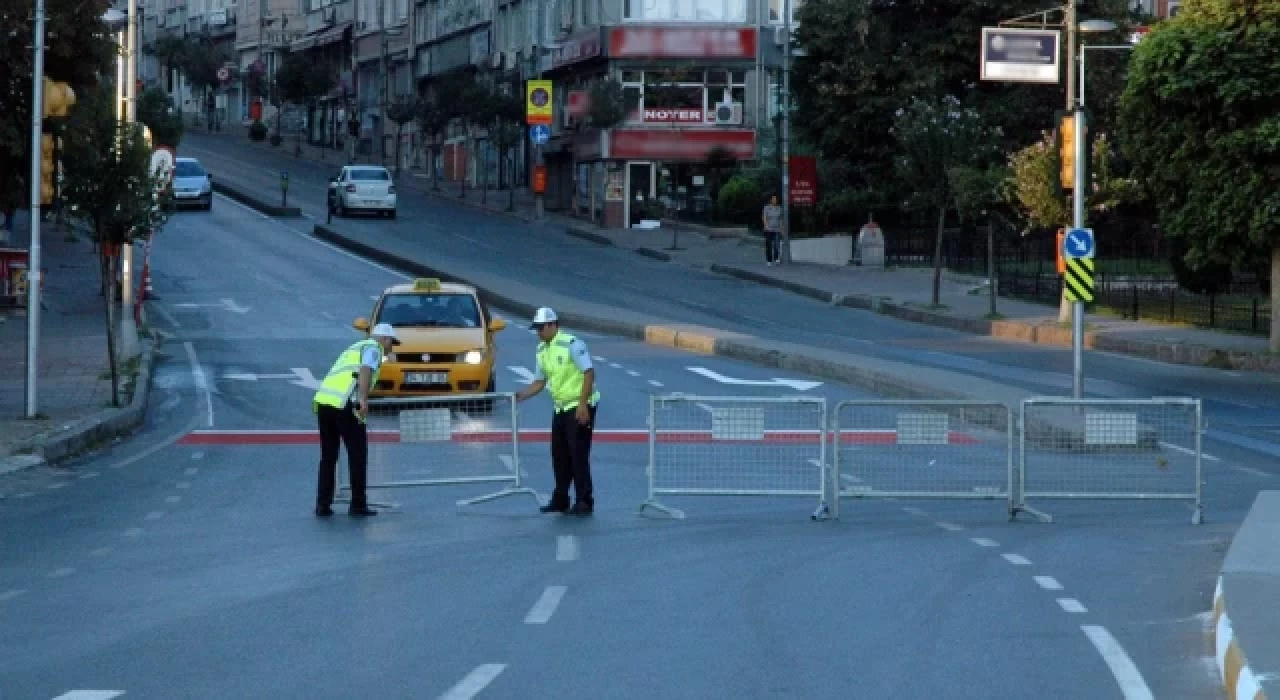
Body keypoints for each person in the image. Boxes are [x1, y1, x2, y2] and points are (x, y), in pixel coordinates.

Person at [515, 307, 600, 516]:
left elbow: (589, 373)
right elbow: (539, 381)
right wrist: (521, 395)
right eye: (536, 329)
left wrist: (583, 405)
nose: (538, 332)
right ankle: (561, 499)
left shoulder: (572, 344)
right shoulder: (542, 350)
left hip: (579, 406)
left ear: (553, 325)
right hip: (561, 407)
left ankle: (584, 500)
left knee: (578, 455)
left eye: (541, 328)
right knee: (559, 455)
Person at [313, 322, 400, 517]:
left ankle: (322, 504)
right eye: (392, 343)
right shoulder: (373, 348)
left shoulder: (354, 347)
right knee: (357, 455)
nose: (391, 348)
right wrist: (362, 400)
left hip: (325, 402)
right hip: (346, 404)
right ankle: (358, 504)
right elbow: (365, 370)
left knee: (328, 457)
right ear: (385, 339)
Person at [762, 194, 783, 265]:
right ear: (771, 200)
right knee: (769, 245)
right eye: (773, 199)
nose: (774, 200)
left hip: (776, 229)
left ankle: (776, 258)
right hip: (768, 229)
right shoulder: (766, 207)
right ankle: (769, 260)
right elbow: (764, 218)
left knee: (776, 244)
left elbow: (780, 219)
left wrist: (782, 229)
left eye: (776, 199)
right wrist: (766, 226)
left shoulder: (779, 208)